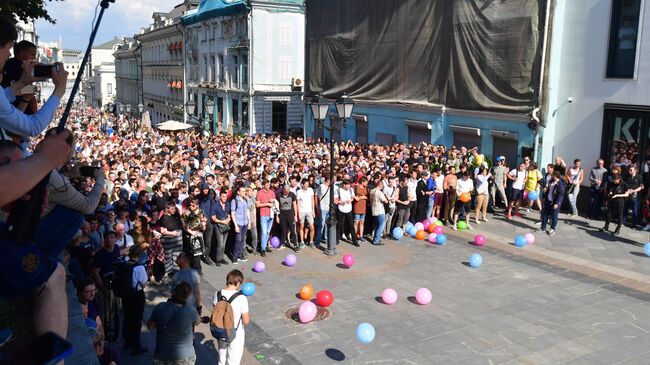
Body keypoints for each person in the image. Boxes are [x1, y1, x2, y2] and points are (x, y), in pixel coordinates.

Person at [147, 281, 201, 365]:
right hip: (185, 356)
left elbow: (149, 327)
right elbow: (197, 322)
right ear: (187, 296)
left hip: (162, 354)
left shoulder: (161, 307)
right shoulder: (191, 311)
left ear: (174, 292)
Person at [214, 270, 250, 365]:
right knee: (233, 361)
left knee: (221, 360)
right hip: (235, 333)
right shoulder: (242, 298)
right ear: (238, 283)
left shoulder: (217, 294)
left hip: (220, 331)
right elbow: (246, 321)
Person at [122, 245, 148, 356]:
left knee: (127, 318)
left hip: (126, 295)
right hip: (137, 296)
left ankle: (127, 342)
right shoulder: (139, 268)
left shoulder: (124, 265)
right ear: (139, 255)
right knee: (137, 321)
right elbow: (143, 284)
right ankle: (136, 346)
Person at [600, 167, 630, 236]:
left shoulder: (624, 184)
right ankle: (606, 227)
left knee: (620, 216)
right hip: (612, 200)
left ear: (619, 179)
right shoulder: (613, 183)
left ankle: (617, 230)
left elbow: (626, 194)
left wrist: (617, 196)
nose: (614, 181)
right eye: (613, 180)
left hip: (620, 202)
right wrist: (610, 193)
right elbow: (611, 189)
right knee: (608, 214)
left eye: (615, 180)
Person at [159, 202, 184, 278]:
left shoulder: (176, 215)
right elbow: (162, 230)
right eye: (172, 209)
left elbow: (181, 223)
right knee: (168, 256)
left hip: (178, 238)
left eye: (174, 209)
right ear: (167, 209)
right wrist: (171, 233)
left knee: (177, 255)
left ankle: (176, 270)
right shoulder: (163, 217)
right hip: (168, 239)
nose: (174, 210)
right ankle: (168, 271)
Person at [538, 171, 566, 236]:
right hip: (548, 200)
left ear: (555, 176)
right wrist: (545, 195)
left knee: (554, 216)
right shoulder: (551, 182)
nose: (551, 176)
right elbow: (548, 190)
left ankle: (552, 229)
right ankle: (543, 228)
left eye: (552, 175)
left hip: (555, 202)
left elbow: (560, 195)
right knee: (545, 214)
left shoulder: (560, 184)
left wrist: (557, 203)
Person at [335, 179, 359, 247]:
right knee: (339, 224)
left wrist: (350, 200)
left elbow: (352, 197)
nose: (349, 186)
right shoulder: (339, 190)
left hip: (348, 209)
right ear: (344, 185)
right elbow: (335, 201)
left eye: (349, 185)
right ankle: (337, 238)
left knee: (351, 225)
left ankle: (355, 241)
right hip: (341, 209)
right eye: (347, 185)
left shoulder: (351, 190)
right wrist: (342, 202)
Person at [211, 190, 232, 266]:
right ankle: (218, 259)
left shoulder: (228, 204)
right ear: (220, 197)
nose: (225, 198)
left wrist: (228, 219)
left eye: (226, 196)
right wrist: (222, 221)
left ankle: (221, 257)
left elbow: (229, 214)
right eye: (223, 196)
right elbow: (213, 218)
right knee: (220, 243)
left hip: (226, 225)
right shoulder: (215, 205)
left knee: (224, 243)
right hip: (218, 226)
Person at [231, 186, 251, 264]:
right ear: (238, 192)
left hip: (245, 222)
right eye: (242, 191)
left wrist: (249, 222)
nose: (244, 193)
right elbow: (233, 213)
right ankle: (234, 256)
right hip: (238, 223)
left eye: (244, 191)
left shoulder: (245, 200)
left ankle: (239, 254)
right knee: (238, 240)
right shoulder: (235, 201)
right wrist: (235, 225)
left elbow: (247, 211)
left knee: (242, 240)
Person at [276, 184, 299, 251]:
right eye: (286, 191)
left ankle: (295, 245)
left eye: (288, 191)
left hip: (290, 215)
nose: (287, 193)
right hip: (282, 215)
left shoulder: (292, 194)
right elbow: (276, 206)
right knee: (283, 230)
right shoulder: (278, 195)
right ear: (283, 189)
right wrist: (277, 216)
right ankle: (282, 244)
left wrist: (296, 215)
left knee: (293, 230)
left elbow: (295, 205)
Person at [296, 178, 315, 247]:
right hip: (302, 211)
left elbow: (312, 200)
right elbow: (297, 203)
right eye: (306, 184)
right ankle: (302, 241)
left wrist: (313, 211)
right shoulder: (299, 192)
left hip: (309, 211)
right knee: (301, 227)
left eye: (308, 184)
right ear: (302, 185)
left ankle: (311, 241)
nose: (307, 185)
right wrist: (298, 214)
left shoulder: (310, 190)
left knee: (312, 227)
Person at [624, 164, 644, 229]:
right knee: (625, 208)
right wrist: (627, 190)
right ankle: (622, 222)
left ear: (635, 171)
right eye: (629, 169)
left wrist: (633, 191)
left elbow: (641, 187)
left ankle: (634, 224)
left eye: (631, 170)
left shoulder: (639, 177)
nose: (629, 170)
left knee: (634, 210)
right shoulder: (627, 176)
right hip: (627, 194)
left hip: (634, 195)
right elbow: (623, 184)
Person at [369, 179, 388, 245]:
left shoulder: (371, 191)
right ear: (381, 186)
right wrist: (385, 196)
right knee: (381, 226)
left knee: (377, 225)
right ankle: (376, 240)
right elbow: (385, 201)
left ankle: (376, 238)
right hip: (380, 210)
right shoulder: (379, 192)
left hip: (374, 210)